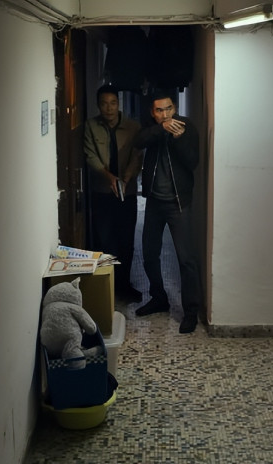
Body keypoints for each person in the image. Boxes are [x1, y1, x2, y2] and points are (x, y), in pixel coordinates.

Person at [134, 90, 202, 334]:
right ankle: (159, 297)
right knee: (149, 253)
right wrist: (161, 130)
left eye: (169, 109)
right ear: (153, 113)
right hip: (154, 202)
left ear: (175, 108)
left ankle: (191, 312)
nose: (165, 115)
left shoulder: (187, 127)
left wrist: (178, 139)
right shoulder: (152, 128)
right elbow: (138, 141)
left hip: (178, 203)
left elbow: (192, 162)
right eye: (159, 110)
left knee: (186, 259)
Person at [84, 85, 144, 302]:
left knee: (126, 241)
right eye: (104, 104)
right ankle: (107, 288)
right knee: (104, 240)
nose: (108, 108)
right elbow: (90, 155)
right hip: (102, 193)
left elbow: (137, 156)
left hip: (127, 193)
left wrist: (125, 179)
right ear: (98, 105)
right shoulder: (91, 126)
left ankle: (124, 285)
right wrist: (109, 178)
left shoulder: (133, 127)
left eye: (112, 103)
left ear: (118, 104)